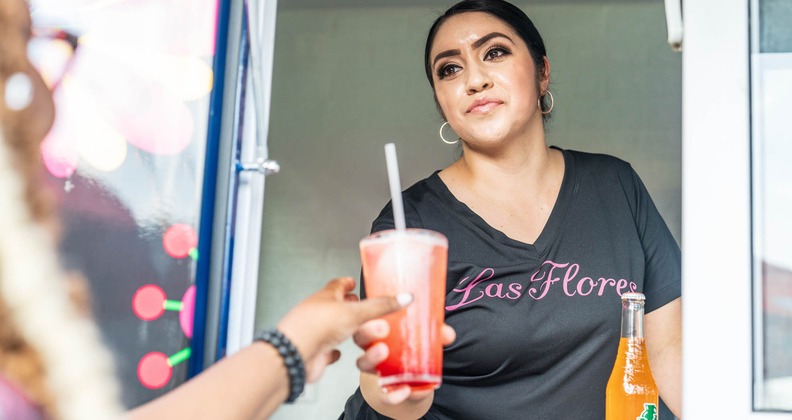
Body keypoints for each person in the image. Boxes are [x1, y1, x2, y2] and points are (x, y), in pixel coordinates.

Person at [0, 0, 456, 418]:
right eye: (22, 64)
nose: (45, 100)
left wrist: (295, 344)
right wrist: (294, 347)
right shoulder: (417, 213)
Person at [342, 0, 682, 419]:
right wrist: (394, 378)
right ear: (441, 101)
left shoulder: (615, 186)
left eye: (494, 52)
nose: (475, 80)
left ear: (542, 73)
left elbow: (669, 349)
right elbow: (401, 398)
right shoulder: (411, 225)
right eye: (450, 69)